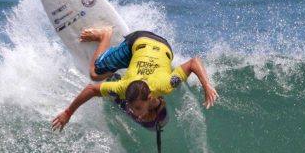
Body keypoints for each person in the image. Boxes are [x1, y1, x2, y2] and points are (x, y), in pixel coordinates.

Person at [51, 27, 218, 131]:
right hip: (147, 43)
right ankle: (104, 34)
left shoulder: (165, 85)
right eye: (133, 107)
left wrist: (207, 86)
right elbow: (90, 89)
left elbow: (194, 62)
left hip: (154, 42)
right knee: (95, 74)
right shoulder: (125, 88)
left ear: (150, 97)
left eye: (137, 107)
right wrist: (68, 112)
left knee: (98, 75)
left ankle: (108, 45)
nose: (133, 111)